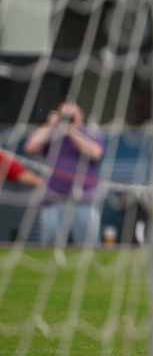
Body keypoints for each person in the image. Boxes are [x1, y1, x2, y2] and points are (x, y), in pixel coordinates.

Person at [24, 101, 106, 247]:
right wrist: (51, 125)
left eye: (71, 116)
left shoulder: (91, 133)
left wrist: (71, 131)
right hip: (53, 200)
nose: (67, 119)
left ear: (81, 116)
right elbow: (30, 147)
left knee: (89, 248)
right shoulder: (52, 135)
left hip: (83, 201)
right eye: (64, 116)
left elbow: (96, 153)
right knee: (49, 248)